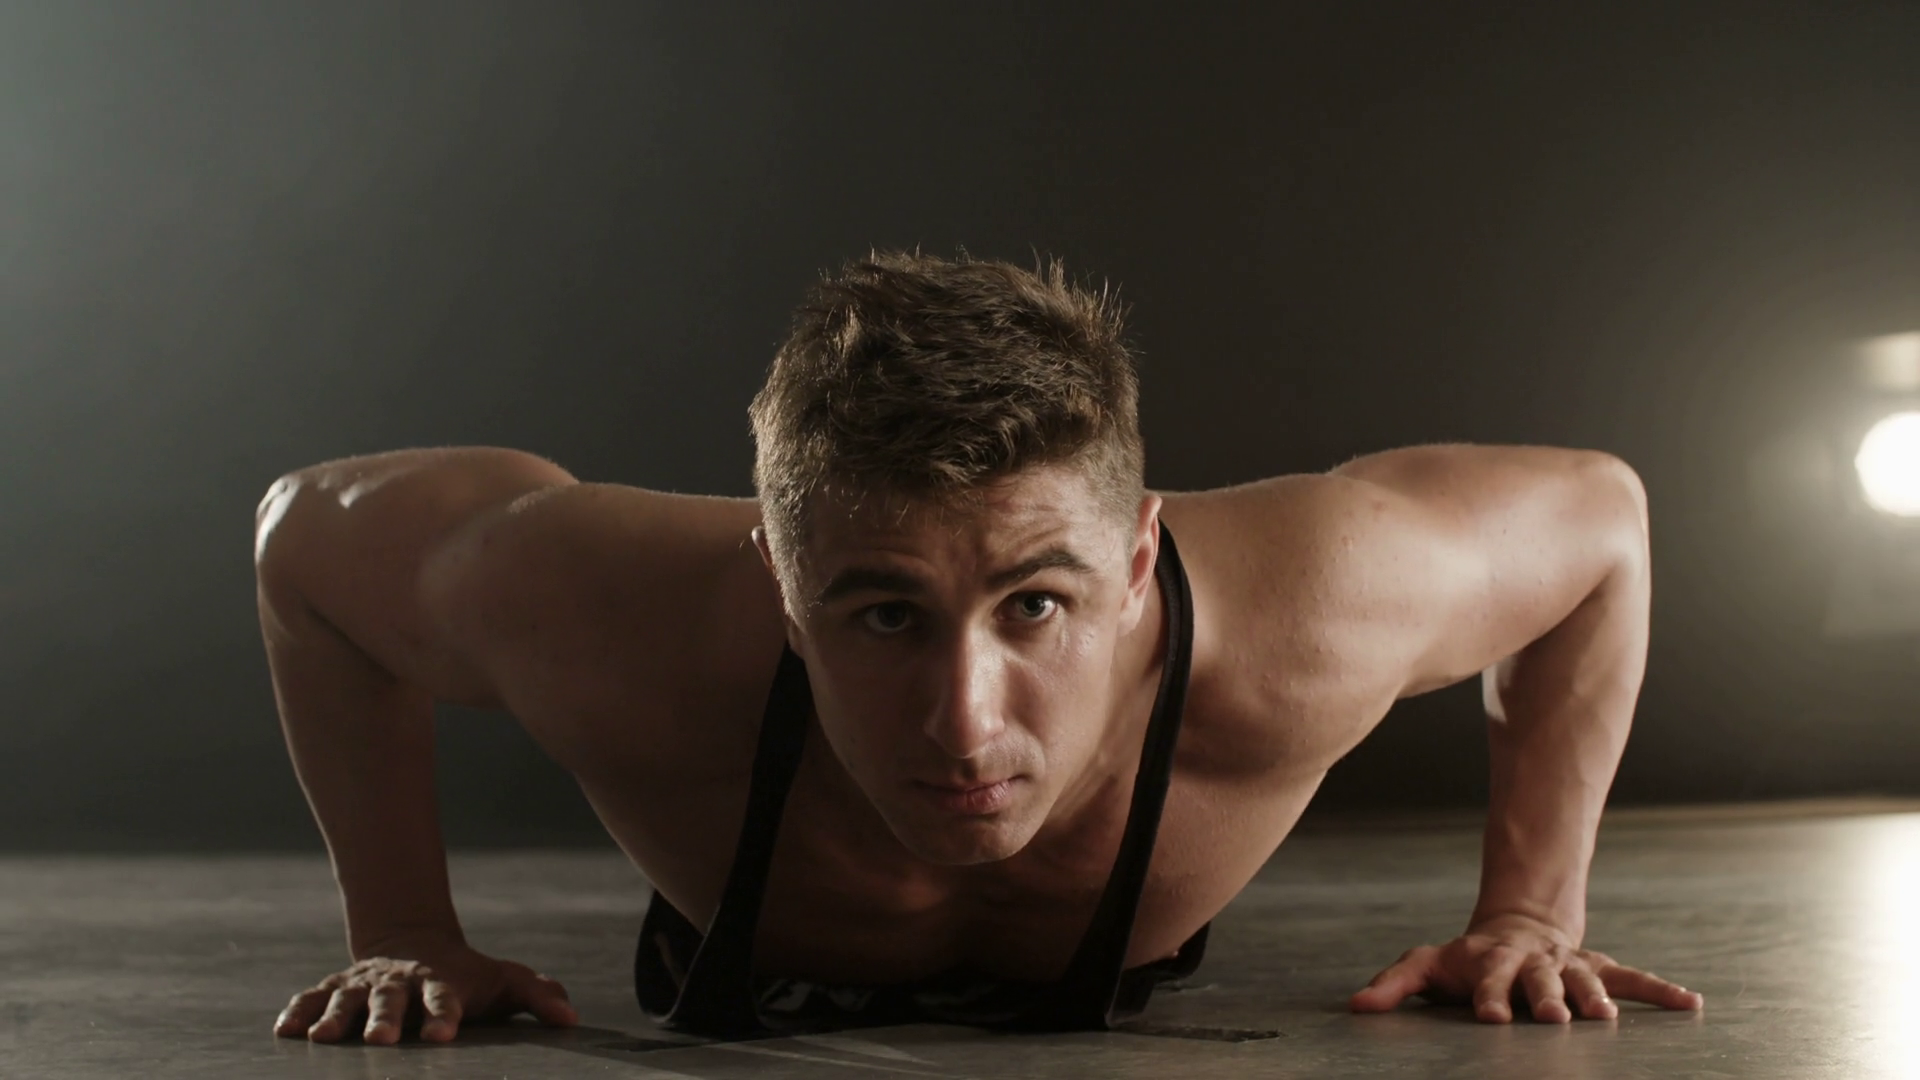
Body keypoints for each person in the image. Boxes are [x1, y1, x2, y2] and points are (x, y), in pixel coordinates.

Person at [254, 250, 1704, 1046]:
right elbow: (302, 540)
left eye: (1035, 605)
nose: (963, 724)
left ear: (1133, 564)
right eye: (885, 614)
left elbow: (1601, 519)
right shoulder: (608, 618)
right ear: (779, 583)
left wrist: (1531, 914)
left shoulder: (1316, 606)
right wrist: (404, 928)